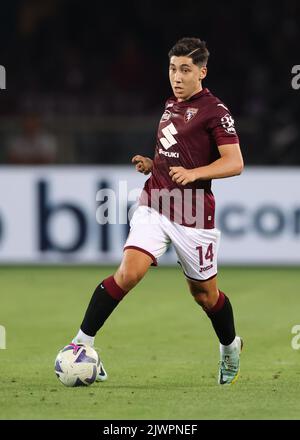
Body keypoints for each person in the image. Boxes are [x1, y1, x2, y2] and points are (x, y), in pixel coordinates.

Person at [71, 37, 244, 385]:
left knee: (205, 295)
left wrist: (195, 174)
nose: (176, 77)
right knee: (129, 272)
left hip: (193, 215)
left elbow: (235, 163)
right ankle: (81, 346)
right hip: (155, 203)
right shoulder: (170, 104)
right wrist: (154, 164)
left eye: (185, 70)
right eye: (172, 69)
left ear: (202, 72)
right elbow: (177, 153)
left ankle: (229, 347)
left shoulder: (216, 111)